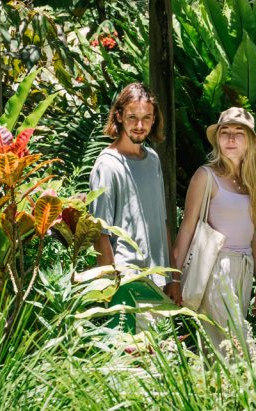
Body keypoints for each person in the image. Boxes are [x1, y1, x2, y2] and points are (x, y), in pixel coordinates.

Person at [173, 106, 256, 353]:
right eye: (225, 132)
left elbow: (253, 234)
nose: (231, 138)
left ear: (250, 142)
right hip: (217, 267)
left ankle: (219, 391)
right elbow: (187, 228)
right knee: (241, 342)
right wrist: (173, 277)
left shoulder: (252, 181)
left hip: (244, 267)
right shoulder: (206, 176)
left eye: (239, 132)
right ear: (218, 139)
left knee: (220, 348)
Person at [89, 83, 180, 330]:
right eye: (132, 117)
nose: (139, 125)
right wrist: (111, 287)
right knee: (131, 361)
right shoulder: (107, 165)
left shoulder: (152, 159)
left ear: (154, 119)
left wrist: (173, 277)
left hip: (157, 279)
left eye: (146, 118)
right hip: (126, 280)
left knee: (159, 361)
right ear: (119, 116)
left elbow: (161, 222)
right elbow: (100, 233)